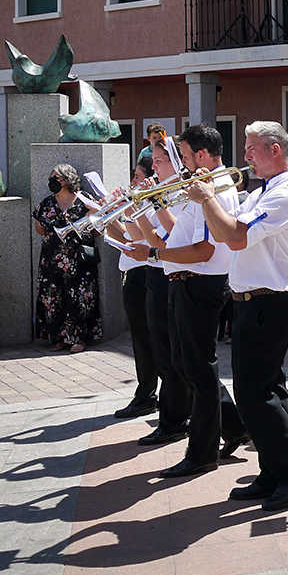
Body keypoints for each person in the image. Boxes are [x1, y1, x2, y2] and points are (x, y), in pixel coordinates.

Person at [186, 120, 288, 511]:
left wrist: (208, 198)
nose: (244, 156)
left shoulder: (286, 194)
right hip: (253, 301)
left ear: (275, 150)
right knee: (268, 392)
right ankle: (273, 469)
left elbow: (236, 237)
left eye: (251, 149)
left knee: (253, 395)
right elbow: (229, 229)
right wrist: (209, 200)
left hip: (268, 302)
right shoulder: (267, 190)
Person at [126, 125, 249, 478]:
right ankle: (234, 426)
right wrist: (153, 209)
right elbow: (183, 228)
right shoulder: (200, 188)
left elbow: (204, 249)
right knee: (187, 364)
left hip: (201, 284)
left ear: (203, 155)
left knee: (198, 369)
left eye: (183, 154)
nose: (179, 162)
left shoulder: (216, 190)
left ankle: (202, 452)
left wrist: (152, 251)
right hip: (186, 281)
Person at [128, 140, 190, 447]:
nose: (154, 167)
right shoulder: (160, 192)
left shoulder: (180, 192)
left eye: (160, 160)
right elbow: (145, 235)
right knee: (164, 352)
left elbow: (169, 238)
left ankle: (175, 420)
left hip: (173, 273)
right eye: (153, 161)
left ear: (176, 162)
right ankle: (174, 418)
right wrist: (133, 208)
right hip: (157, 272)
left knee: (175, 355)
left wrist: (149, 203)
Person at [108, 157, 159, 419]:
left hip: (142, 273)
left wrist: (125, 212)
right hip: (130, 271)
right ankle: (147, 391)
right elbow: (123, 238)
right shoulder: (138, 203)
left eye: (137, 177)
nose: (133, 182)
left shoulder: (148, 205)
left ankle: (147, 394)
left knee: (144, 338)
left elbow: (136, 238)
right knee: (140, 338)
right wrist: (105, 217)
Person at [32, 164, 101, 353]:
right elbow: (39, 229)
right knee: (53, 298)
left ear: (68, 179)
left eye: (57, 177)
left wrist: (90, 216)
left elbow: (97, 229)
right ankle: (59, 337)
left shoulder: (84, 200)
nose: (53, 181)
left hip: (78, 259)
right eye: (51, 176)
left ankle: (78, 338)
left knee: (79, 299)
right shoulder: (47, 203)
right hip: (52, 259)